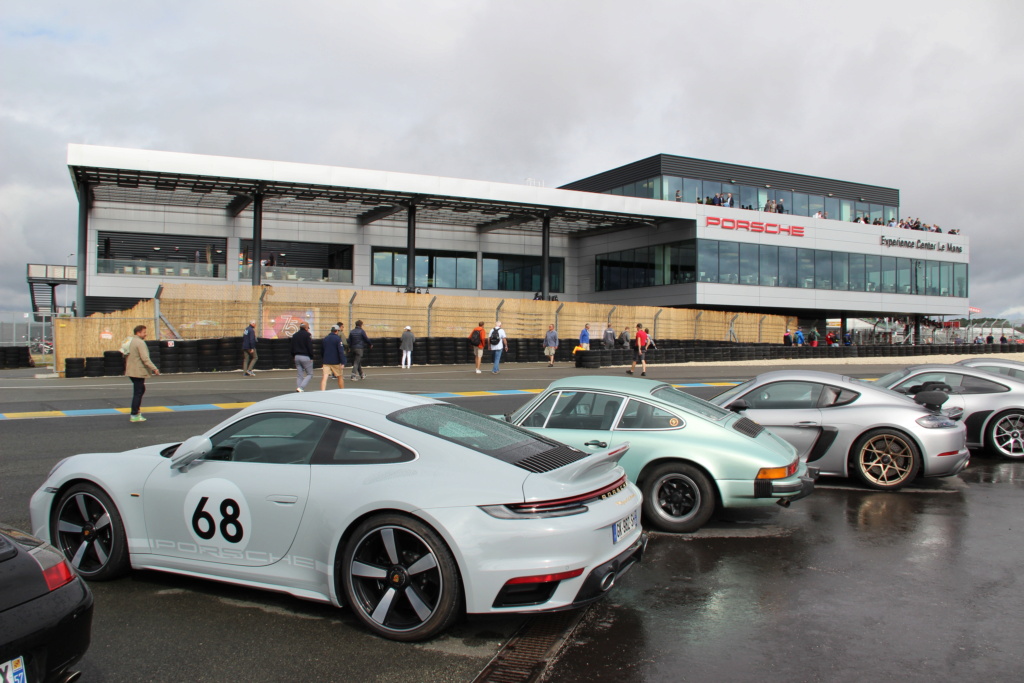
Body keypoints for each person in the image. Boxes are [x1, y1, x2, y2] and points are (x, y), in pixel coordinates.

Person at [125, 324, 160, 423]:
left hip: (130, 370)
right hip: (138, 371)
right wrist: (154, 368)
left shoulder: (129, 340)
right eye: (144, 332)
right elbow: (145, 358)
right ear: (138, 332)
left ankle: (136, 411)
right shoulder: (140, 343)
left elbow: (123, 352)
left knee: (140, 389)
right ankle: (134, 414)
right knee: (138, 392)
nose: (146, 334)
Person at [320, 325, 346, 391]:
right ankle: (342, 390)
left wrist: (323, 359)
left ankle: (322, 391)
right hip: (336, 361)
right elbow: (340, 351)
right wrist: (343, 362)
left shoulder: (325, 338)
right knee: (339, 376)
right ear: (337, 331)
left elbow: (322, 350)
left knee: (325, 377)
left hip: (326, 361)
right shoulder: (338, 339)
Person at [291, 321, 314, 392]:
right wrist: (311, 356)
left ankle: (299, 388)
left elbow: (291, 347)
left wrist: (293, 356)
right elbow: (309, 346)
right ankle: (301, 387)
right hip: (305, 356)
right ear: (306, 328)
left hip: (297, 356)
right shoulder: (307, 335)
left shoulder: (295, 335)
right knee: (310, 374)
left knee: (299, 375)